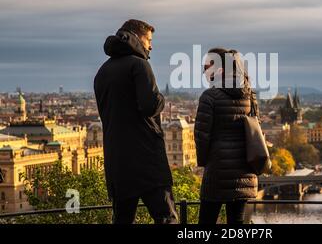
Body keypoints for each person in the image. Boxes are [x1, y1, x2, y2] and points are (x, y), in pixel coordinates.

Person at [94, 19, 178, 224]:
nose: (151, 45)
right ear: (137, 37)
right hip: (145, 157)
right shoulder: (139, 65)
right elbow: (150, 106)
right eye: (149, 39)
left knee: (122, 219)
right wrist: (161, 99)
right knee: (166, 217)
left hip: (117, 160)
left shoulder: (102, 72)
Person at [194, 47, 259, 224]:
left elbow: (201, 136)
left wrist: (203, 162)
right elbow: (255, 131)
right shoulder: (249, 95)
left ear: (220, 70)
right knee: (236, 223)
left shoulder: (209, 96)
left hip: (217, 170)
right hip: (245, 169)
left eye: (206, 67)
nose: (203, 71)